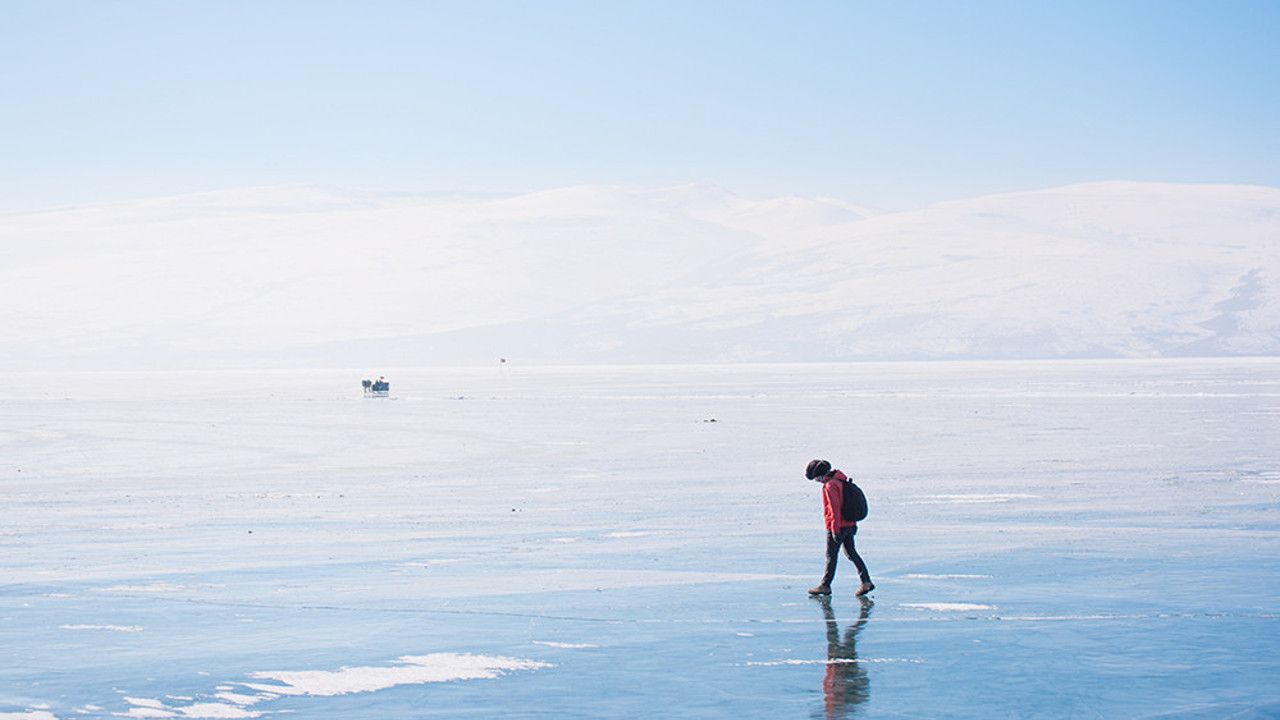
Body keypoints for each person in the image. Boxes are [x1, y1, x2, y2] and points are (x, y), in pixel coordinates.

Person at [806, 459, 874, 597]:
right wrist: (853, 524)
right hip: (849, 524)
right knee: (851, 553)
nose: (817, 481)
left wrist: (835, 531)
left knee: (831, 556)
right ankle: (866, 581)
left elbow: (834, 510)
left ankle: (825, 586)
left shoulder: (830, 485)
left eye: (816, 478)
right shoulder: (841, 481)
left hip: (837, 527)